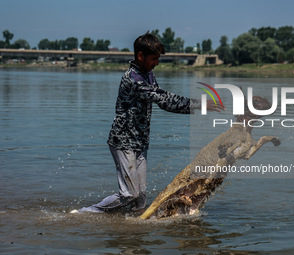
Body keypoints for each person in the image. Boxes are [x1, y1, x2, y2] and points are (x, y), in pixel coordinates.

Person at [78, 32, 224, 213]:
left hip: (140, 142)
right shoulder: (134, 79)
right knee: (129, 194)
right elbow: (164, 100)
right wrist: (198, 104)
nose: (157, 63)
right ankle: (85, 214)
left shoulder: (148, 75)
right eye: (154, 58)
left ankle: (129, 229)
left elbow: (162, 96)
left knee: (140, 199)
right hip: (123, 142)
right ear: (140, 56)